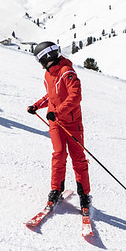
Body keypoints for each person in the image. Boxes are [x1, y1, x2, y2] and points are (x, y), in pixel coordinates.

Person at [27, 41, 91, 214]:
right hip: (56, 123)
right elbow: (52, 96)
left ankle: (84, 196)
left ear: (46, 57)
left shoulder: (67, 71)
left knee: (78, 159)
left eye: (39, 59)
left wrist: (58, 112)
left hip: (71, 122)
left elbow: (75, 96)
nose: (39, 64)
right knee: (59, 155)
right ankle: (56, 190)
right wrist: (37, 105)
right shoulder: (49, 74)